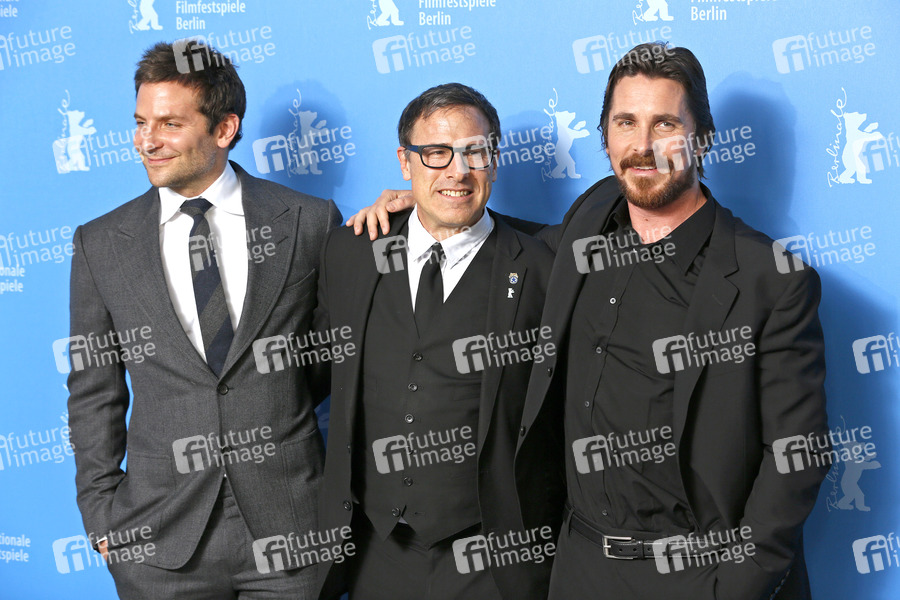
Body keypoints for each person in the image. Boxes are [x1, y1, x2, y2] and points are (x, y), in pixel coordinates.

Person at [348, 43, 829, 600]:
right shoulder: (588, 222)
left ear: (702, 139)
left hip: (697, 573)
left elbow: (796, 458)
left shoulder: (771, 280)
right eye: (625, 123)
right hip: (578, 567)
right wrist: (433, 202)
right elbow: (505, 244)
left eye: (665, 123)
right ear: (605, 137)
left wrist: (736, 587)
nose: (642, 146)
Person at [66, 41, 341, 598]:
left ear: (224, 129)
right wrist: (102, 517)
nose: (147, 141)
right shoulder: (101, 243)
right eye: (141, 122)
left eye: (170, 124)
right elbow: (94, 391)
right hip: (157, 537)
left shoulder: (308, 221)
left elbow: (332, 357)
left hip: (292, 529)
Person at [312, 83, 563, 600]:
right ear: (404, 162)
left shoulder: (544, 266)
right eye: (436, 154)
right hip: (375, 553)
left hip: (492, 561)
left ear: (495, 161)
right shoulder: (350, 252)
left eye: (475, 152)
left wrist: (433, 196)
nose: (458, 170)